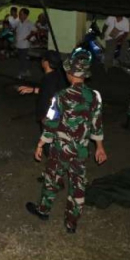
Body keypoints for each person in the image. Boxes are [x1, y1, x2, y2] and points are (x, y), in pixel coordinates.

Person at [26, 49, 107, 234]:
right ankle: (72, 223)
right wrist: (100, 147)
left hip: (60, 149)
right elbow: (97, 123)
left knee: (51, 179)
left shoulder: (60, 96)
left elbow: (51, 123)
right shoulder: (94, 96)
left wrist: (40, 144)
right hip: (81, 150)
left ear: (70, 74)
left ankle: (44, 210)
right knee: (78, 185)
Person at [17, 51, 68, 129]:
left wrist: (47, 119)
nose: (41, 61)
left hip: (50, 119)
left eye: (43, 59)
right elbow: (48, 91)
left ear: (46, 63)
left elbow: (53, 98)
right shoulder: (57, 75)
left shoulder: (49, 79)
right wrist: (33, 90)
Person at [15, 8, 35, 78]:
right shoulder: (18, 23)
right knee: (21, 59)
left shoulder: (29, 23)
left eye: (21, 14)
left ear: (26, 15)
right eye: (19, 14)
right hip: (19, 44)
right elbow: (17, 33)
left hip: (25, 45)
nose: (20, 15)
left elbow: (34, 31)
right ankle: (26, 71)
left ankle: (22, 73)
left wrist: (28, 37)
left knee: (22, 59)